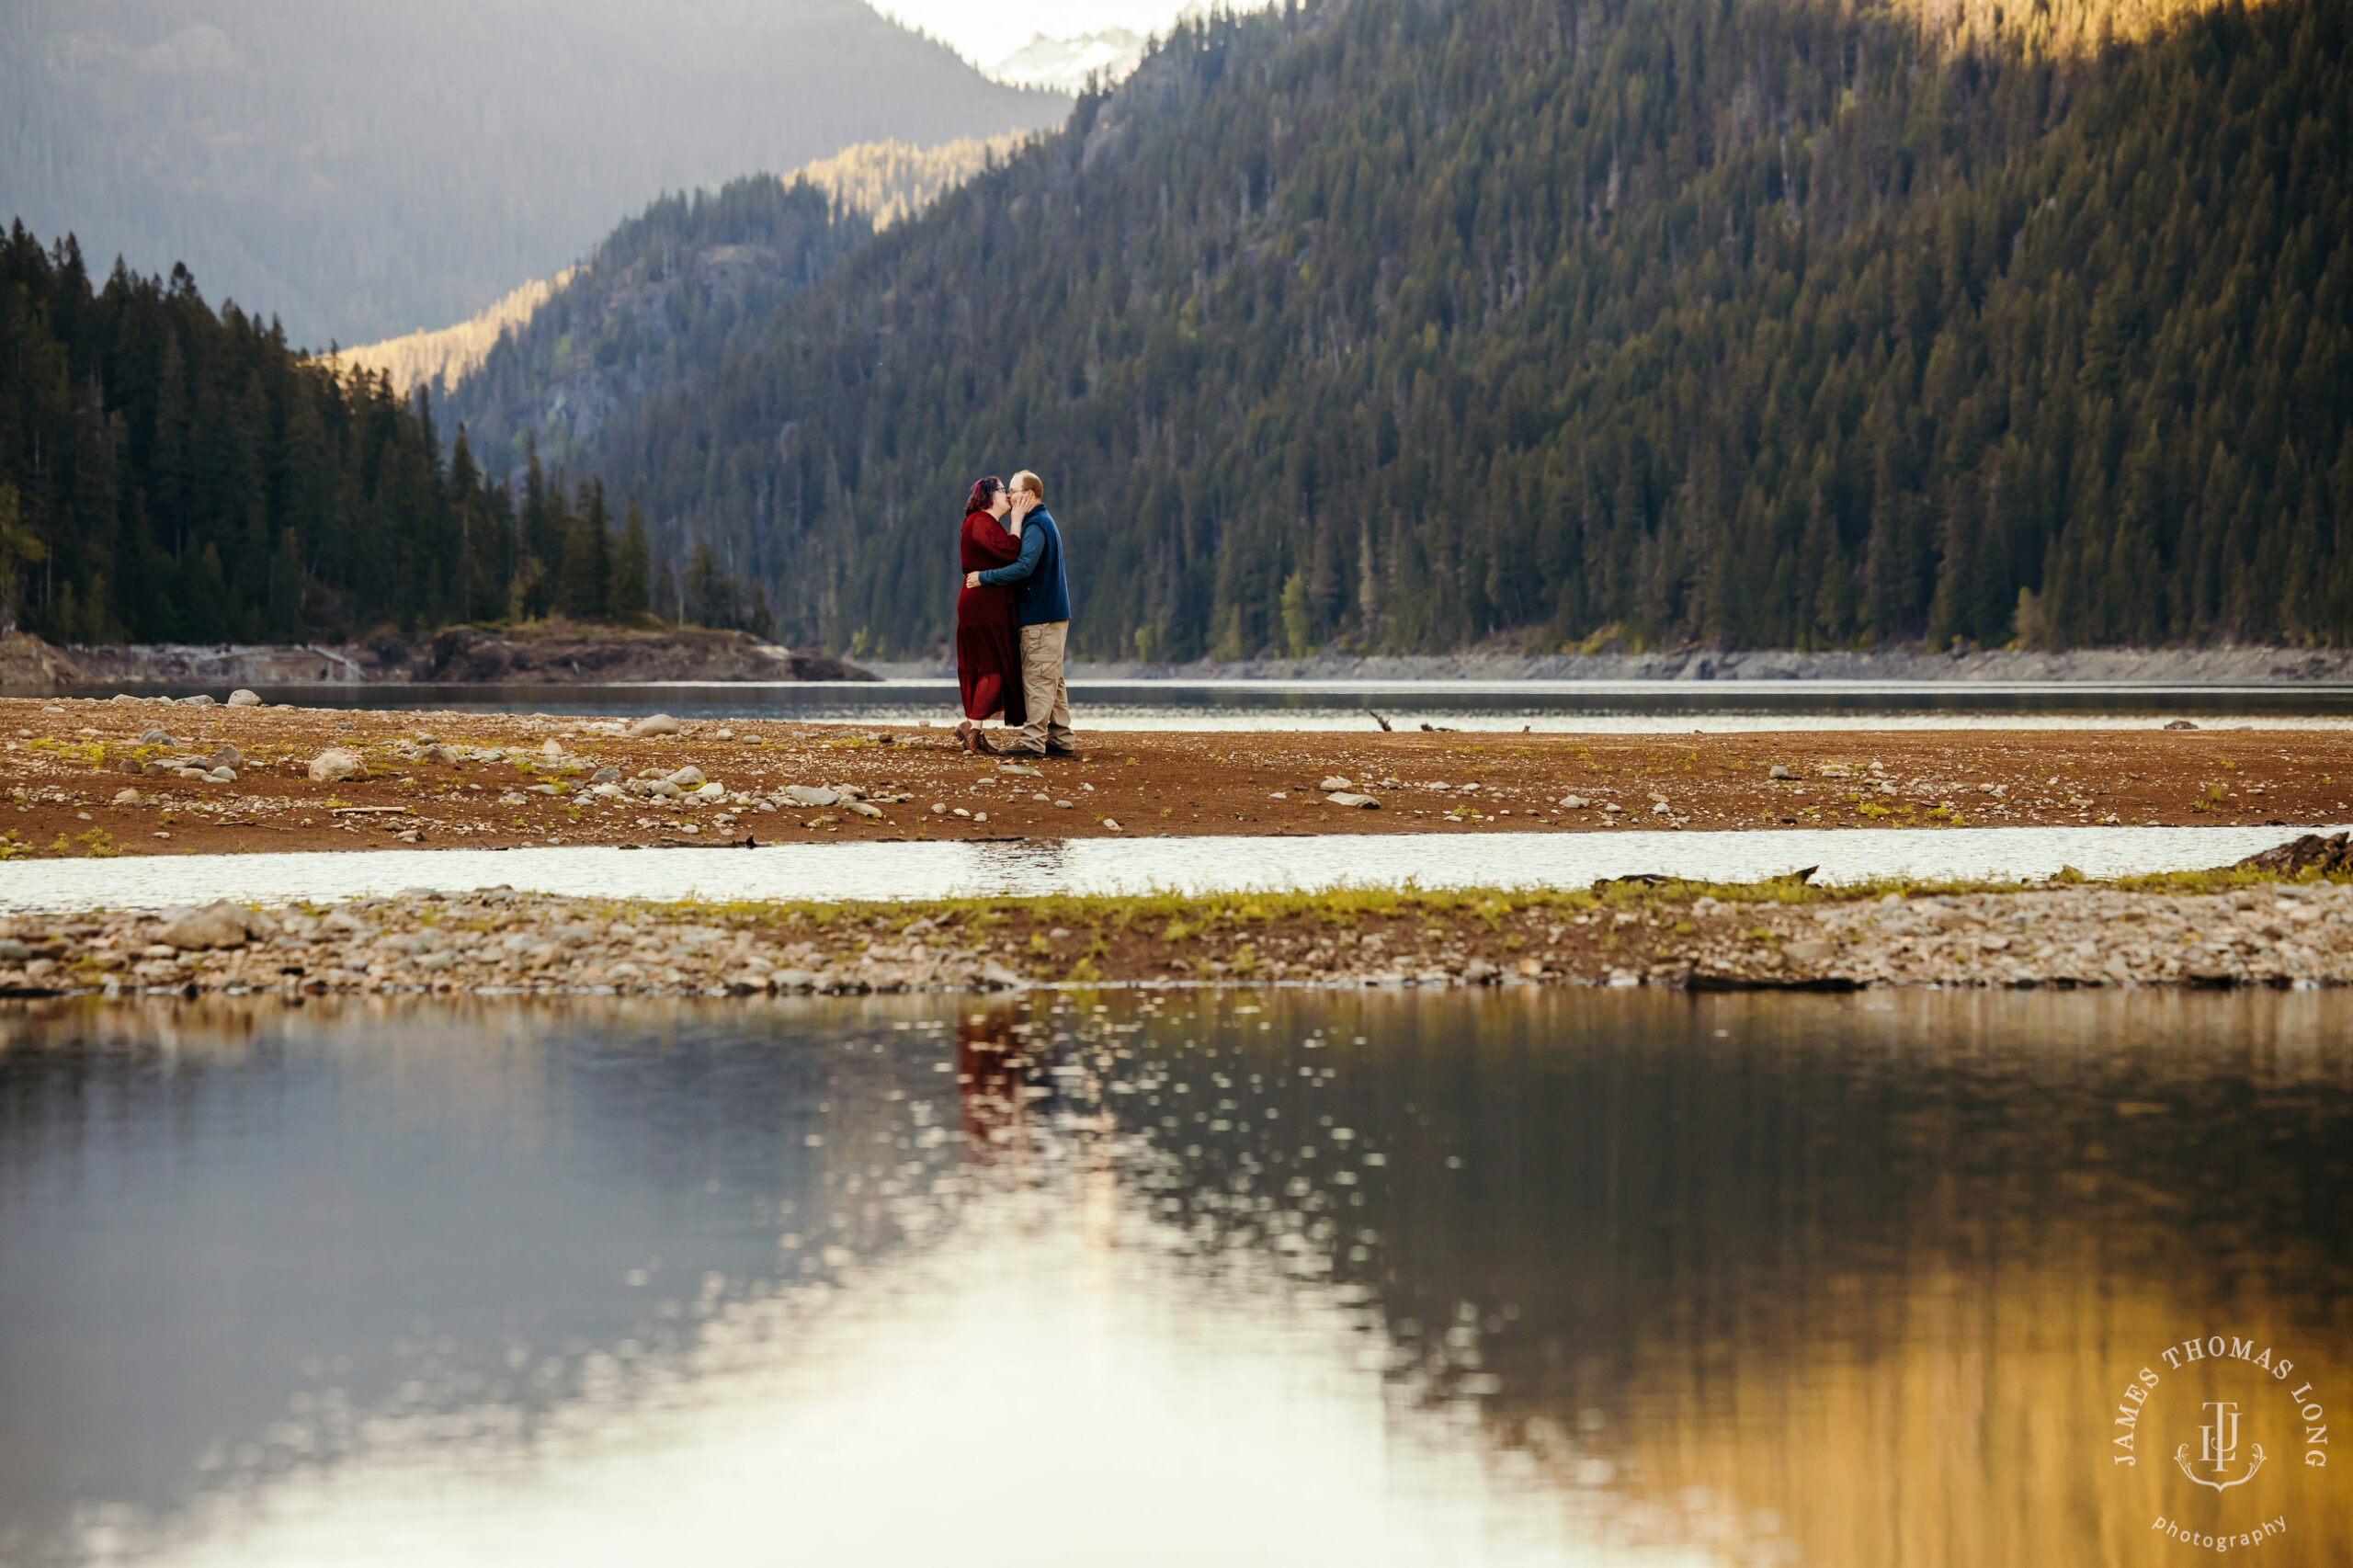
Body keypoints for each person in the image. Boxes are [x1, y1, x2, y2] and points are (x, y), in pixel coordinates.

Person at [964, 470, 1074, 756]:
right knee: (1052, 678)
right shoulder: (1039, 521)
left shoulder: (1036, 525)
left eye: (1013, 491)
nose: (1010, 496)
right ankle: (1061, 740)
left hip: (1041, 615)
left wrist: (984, 578)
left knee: (1038, 678)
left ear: (1028, 495)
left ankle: (1032, 741)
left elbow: (1024, 567)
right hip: (1050, 613)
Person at [954, 476, 1026, 753]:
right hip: (982, 605)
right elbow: (1009, 552)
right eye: (1002, 490)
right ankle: (972, 727)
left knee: (988, 668)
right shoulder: (981, 522)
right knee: (994, 670)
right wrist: (1017, 521)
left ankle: (974, 729)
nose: (1007, 494)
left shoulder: (984, 523)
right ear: (988, 496)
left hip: (984, 603)